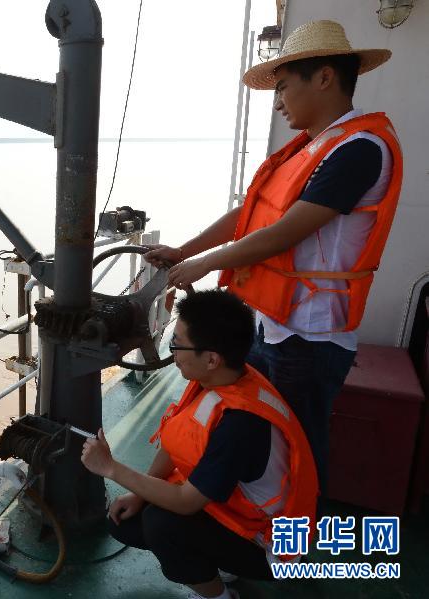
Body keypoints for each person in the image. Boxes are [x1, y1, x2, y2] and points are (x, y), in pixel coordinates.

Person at [144, 20, 402, 485]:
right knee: (257, 432)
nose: (278, 102)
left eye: (283, 88)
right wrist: (185, 249)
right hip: (274, 323)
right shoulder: (308, 148)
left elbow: (286, 233)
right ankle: (258, 531)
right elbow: (251, 212)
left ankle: (294, 552)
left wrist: (204, 264)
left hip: (313, 336)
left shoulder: (360, 149)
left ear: (324, 77)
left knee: (299, 445)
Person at [81, 290, 317, 599]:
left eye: (178, 343)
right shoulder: (222, 379)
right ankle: (219, 562)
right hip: (233, 510)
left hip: (268, 544)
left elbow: (185, 502)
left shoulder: (240, 424)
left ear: (211, 359)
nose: (173, 351)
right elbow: (178, 440)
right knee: (125, 521)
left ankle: (218, 595)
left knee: (162, 525)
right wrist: (138, 493)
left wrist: (111, 469)